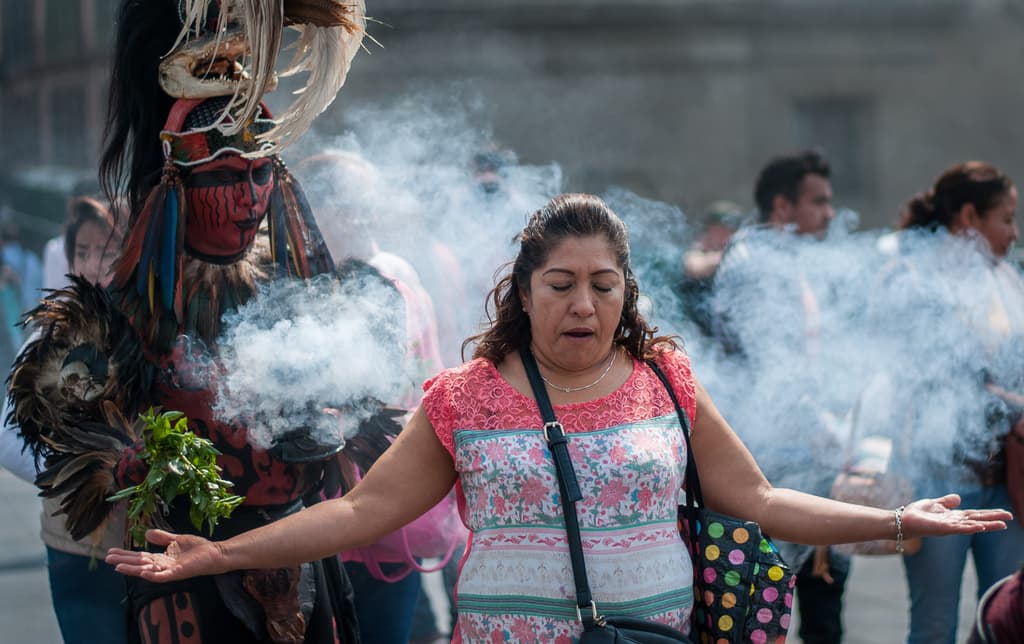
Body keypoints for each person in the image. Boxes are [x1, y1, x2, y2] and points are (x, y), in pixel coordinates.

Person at [106, 193, 1011, 644]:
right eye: (562, 284)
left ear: (626, 293)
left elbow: (763, 500)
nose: (584, 304)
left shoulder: (665, 377)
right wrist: (220, 552)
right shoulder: (465, 394)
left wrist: (896, 519)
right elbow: (358, 514)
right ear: (525, 292)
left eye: (603, 285)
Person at [5, 2, 386, 643]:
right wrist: (142, 461)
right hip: (179, 572)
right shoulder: (116, 323)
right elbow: (73, 447)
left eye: (261, 173)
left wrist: (333, 427)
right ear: (178, 183)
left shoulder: (310, 300)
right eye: (226, 177)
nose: (249, 199)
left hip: (301, 559)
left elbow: (370, 435)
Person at [881, 161, 1024, 644]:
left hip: (1005, 475)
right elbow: (934, 375)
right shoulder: (914, 277)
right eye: (1005, 218)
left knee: (1005, 615)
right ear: (968, 216)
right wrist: (1015, 404)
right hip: (936, 475)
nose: (1014, 232)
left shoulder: (1004, 279)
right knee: (935, 622)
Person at [710, 150, 850, 643]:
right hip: (769, 455)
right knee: (764, 603)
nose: (829, 213)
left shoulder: (792, 260)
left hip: (805, 451)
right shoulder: (753, 262)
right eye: (819, 202)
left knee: (821, 595)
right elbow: (769, 367)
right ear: (783, 207)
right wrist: (819, 422)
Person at [0, 195, 127, 644]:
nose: (93, 265)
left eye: (109, 253)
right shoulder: (48, 335)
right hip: (75, 546)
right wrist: (75, 476)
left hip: (156, 548)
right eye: (84, 252)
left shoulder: (160, 332)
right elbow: (8, 438)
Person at [678, 200, 742, 337]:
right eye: (724, 229)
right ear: (711, 229)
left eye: (733, 230)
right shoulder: (696, 253)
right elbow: (694, 267)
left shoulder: (731, 255)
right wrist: (732, 254)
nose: (729, 235)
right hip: (692, 331)